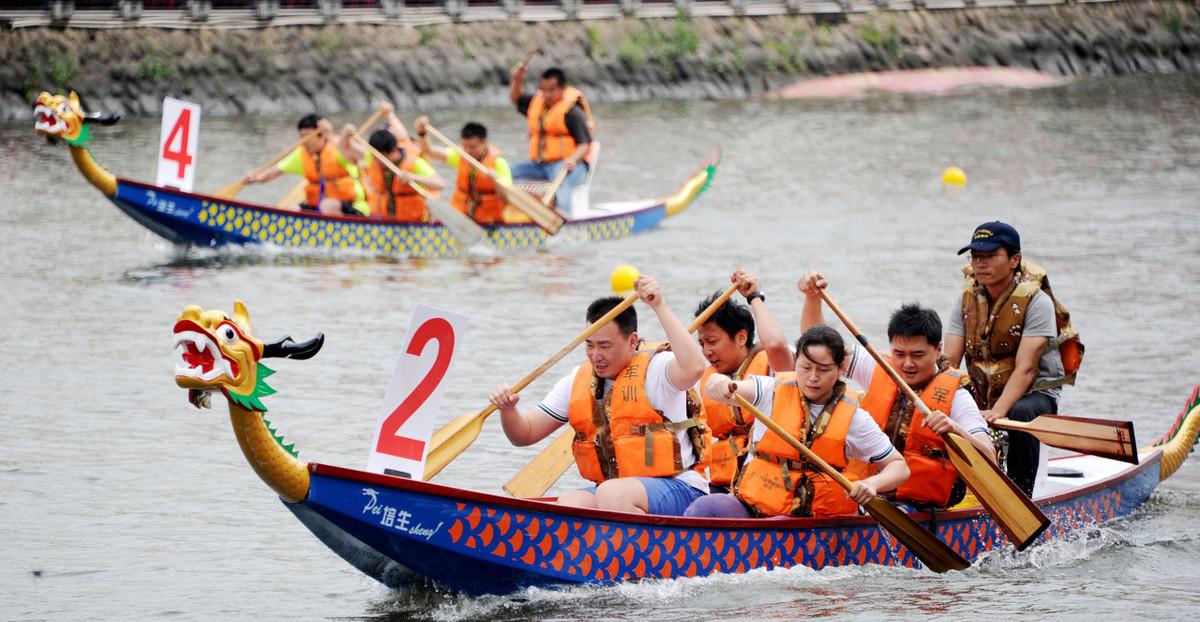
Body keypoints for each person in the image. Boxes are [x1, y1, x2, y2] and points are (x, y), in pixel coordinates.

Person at [489, 276, 710, 516]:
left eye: (605, 346)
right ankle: (599, 550)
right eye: (589, 346)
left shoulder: (658, 369)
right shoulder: (577, 380)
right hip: (615, 491)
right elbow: (525, 434)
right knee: (570, 502)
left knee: (611, 494)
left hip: (681, 488)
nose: (596, 356)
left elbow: (696, 367)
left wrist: (659, 305)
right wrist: (508, 410)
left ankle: (647, 551)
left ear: (632, 341)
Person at [797, 271, 995, 509]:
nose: (907, 364)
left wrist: (955, 429)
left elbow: (989, 458)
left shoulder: (957, 397)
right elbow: (819, 349)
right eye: (900, 354)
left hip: (915, 507)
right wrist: (812, 298)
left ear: (938, 350)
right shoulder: (878, 367)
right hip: (863, 491)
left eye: (918, 355)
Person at [688, 326, 909, 519]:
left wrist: (872, 484)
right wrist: (719, 382)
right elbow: (724, 389)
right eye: (805, 368)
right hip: (752, 504)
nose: (812, 377)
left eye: (823, 370)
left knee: (777, 527)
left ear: (841, 369)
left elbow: (899, 467)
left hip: (806, 518)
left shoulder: (855, 418)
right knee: (705, 508)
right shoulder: (770, 390)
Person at [944, 221, 1083, 496]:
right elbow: (949, 361)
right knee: (943, 403)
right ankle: (951, 492)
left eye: (989, 256)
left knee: (1019, 412)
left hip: (1034, 394)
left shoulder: (1036, 302)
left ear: (1014, 260)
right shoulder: (965, 299)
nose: (980, 264)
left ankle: (1021, 496)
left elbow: (1027, 368)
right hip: (984, 391)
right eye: (975, 257)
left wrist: (999, 411)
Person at [690, 270, 793, 493]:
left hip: (772, 485)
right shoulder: (702, 379)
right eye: (702, 344)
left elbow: (775, 344)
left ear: (742, 337)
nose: (707, 351)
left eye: (712, 341)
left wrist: (754, 296)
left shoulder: (775, 367)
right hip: (722, 483)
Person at [508, 63, 594, 217]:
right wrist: (517, 80)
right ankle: (505, 216)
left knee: (560, 181)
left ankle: (562, 220)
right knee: (507, 172)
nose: (546, 95)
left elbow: (585, 144)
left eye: (551, 90)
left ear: (562, 89)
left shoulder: (573, 112)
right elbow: (516, 99)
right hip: (540, 166)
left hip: (570, 166)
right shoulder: (537, 102)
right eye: (543, 90)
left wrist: (573, 159)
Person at [242, 113, 369, 216]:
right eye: (301, 136)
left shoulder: (340, 146)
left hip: (353, 206)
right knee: (291, 209)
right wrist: (255, 178)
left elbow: (364, 156)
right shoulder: (301, 154)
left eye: (307, 136)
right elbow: (275, 171)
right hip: (318, 207)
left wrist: (331, 134)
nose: (303, 141)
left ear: (321, 135)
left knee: (328, 205)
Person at [414, 116, 512, 225]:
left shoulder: (499, 163)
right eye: (465, 147)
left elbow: (507, 199)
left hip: (489, 221)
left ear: (484, 142)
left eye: (472, 147)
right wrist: (422, 134)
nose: (468, 151)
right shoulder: (461, 156)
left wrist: (496, 180)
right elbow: (429, 151)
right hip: (460, 218)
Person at [363, 106, 445, 222]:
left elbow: (440, 184)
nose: (377, 161)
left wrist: (413, 177)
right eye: (375, 157)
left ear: (392, 151)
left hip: (414, 221)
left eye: (380, 157)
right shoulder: (373, 158)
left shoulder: (414, 162)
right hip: (384, 220)